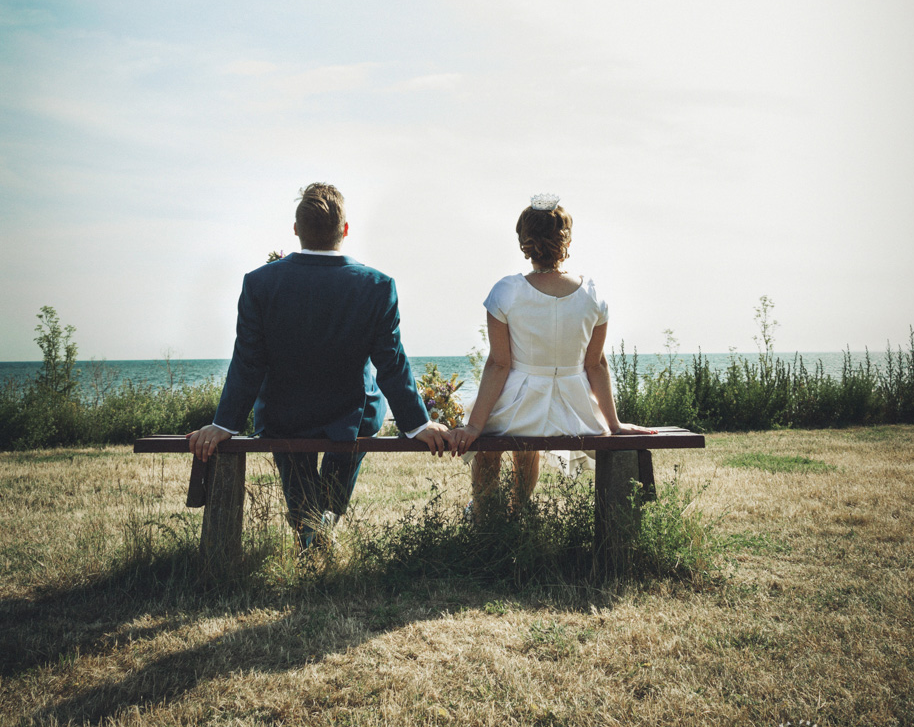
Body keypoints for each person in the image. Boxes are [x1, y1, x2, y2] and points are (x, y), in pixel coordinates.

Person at [187, 183, 448, 550]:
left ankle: (310, 527)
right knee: (358, 425)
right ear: (344, 230)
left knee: (291, 446)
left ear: (296, 230)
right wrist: (417, 423)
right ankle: (325, 518)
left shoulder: (260, 283)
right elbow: (391, 362)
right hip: (351, 413)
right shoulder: (377, 286)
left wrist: (224, 423)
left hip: (285, 414)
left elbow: (249, 362)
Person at [447, 194, 655, 515]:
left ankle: (485, 515)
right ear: (566, 240)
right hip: (574, 411)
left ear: (524, 242)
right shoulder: (592, 294)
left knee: (493, 440)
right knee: (526, 444)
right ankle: (520, 507)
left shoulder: (507, 290)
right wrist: (613, 424)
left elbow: (500, 364)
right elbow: (595, 364)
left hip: (521, 402)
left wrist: (474, 427)